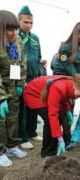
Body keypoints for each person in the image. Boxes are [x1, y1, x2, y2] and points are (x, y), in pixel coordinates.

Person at [23, 74, 80, 157]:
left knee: (60, 116)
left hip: (44, 94)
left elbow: (63, 97)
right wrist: (60, 138)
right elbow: (53, 115)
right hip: (33, 94)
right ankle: (47, 152)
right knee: (50, 120)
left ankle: (54, 145)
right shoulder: (59, 87)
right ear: (74, 86)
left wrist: (68, 110)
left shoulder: (69, 84)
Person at [0, 10, 28, 167]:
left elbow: (22, 62)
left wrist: (20, 84)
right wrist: (1, 97)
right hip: (1, 86)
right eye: (10, 29)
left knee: (13, 117)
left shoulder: (18, 41)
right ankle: (0, 152)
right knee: (0, 120)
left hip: (13, 85)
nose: (14, 33)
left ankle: (11, 146)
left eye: (16, 29)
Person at [18, 5, 42, 149]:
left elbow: (38, 58)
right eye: (26, 22)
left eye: (31, 22)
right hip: (22, 76)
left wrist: (39, 75)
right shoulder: (16, 36)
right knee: (22, 108)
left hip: (34, 77)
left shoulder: (35, 38)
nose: (28, 25)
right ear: (19, 21)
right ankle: (22, 137)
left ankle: (32, 132)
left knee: (34, 105)